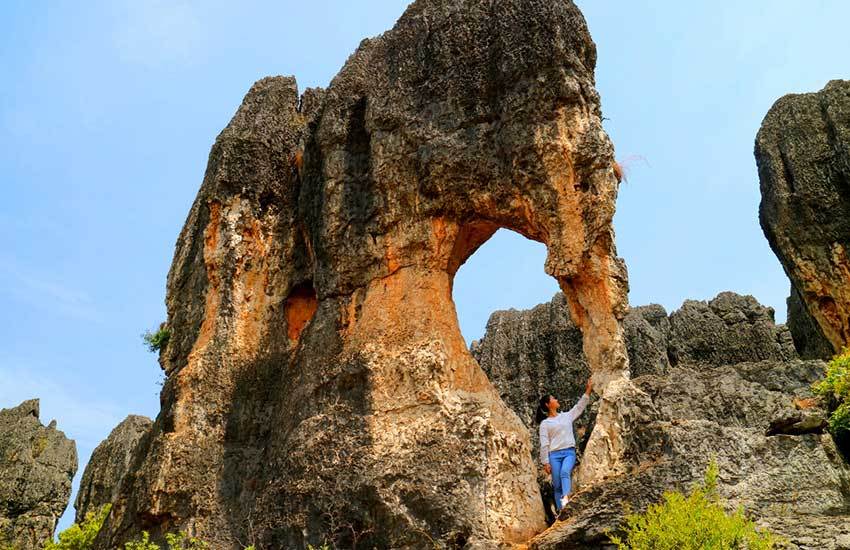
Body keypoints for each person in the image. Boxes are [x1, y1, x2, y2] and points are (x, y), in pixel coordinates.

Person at [535, 377, 593, 511]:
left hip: (568, 452)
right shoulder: (545, 424)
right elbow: (544, 444)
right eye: (553, 399)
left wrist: (588, 390)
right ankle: (562, 511)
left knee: (565, 472)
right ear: (548, 404)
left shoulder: (566, 416)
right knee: (557, 485)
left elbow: (579, 407)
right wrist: (545, 462)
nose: (556, 400)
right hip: (554, 455)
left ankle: (566, 499)